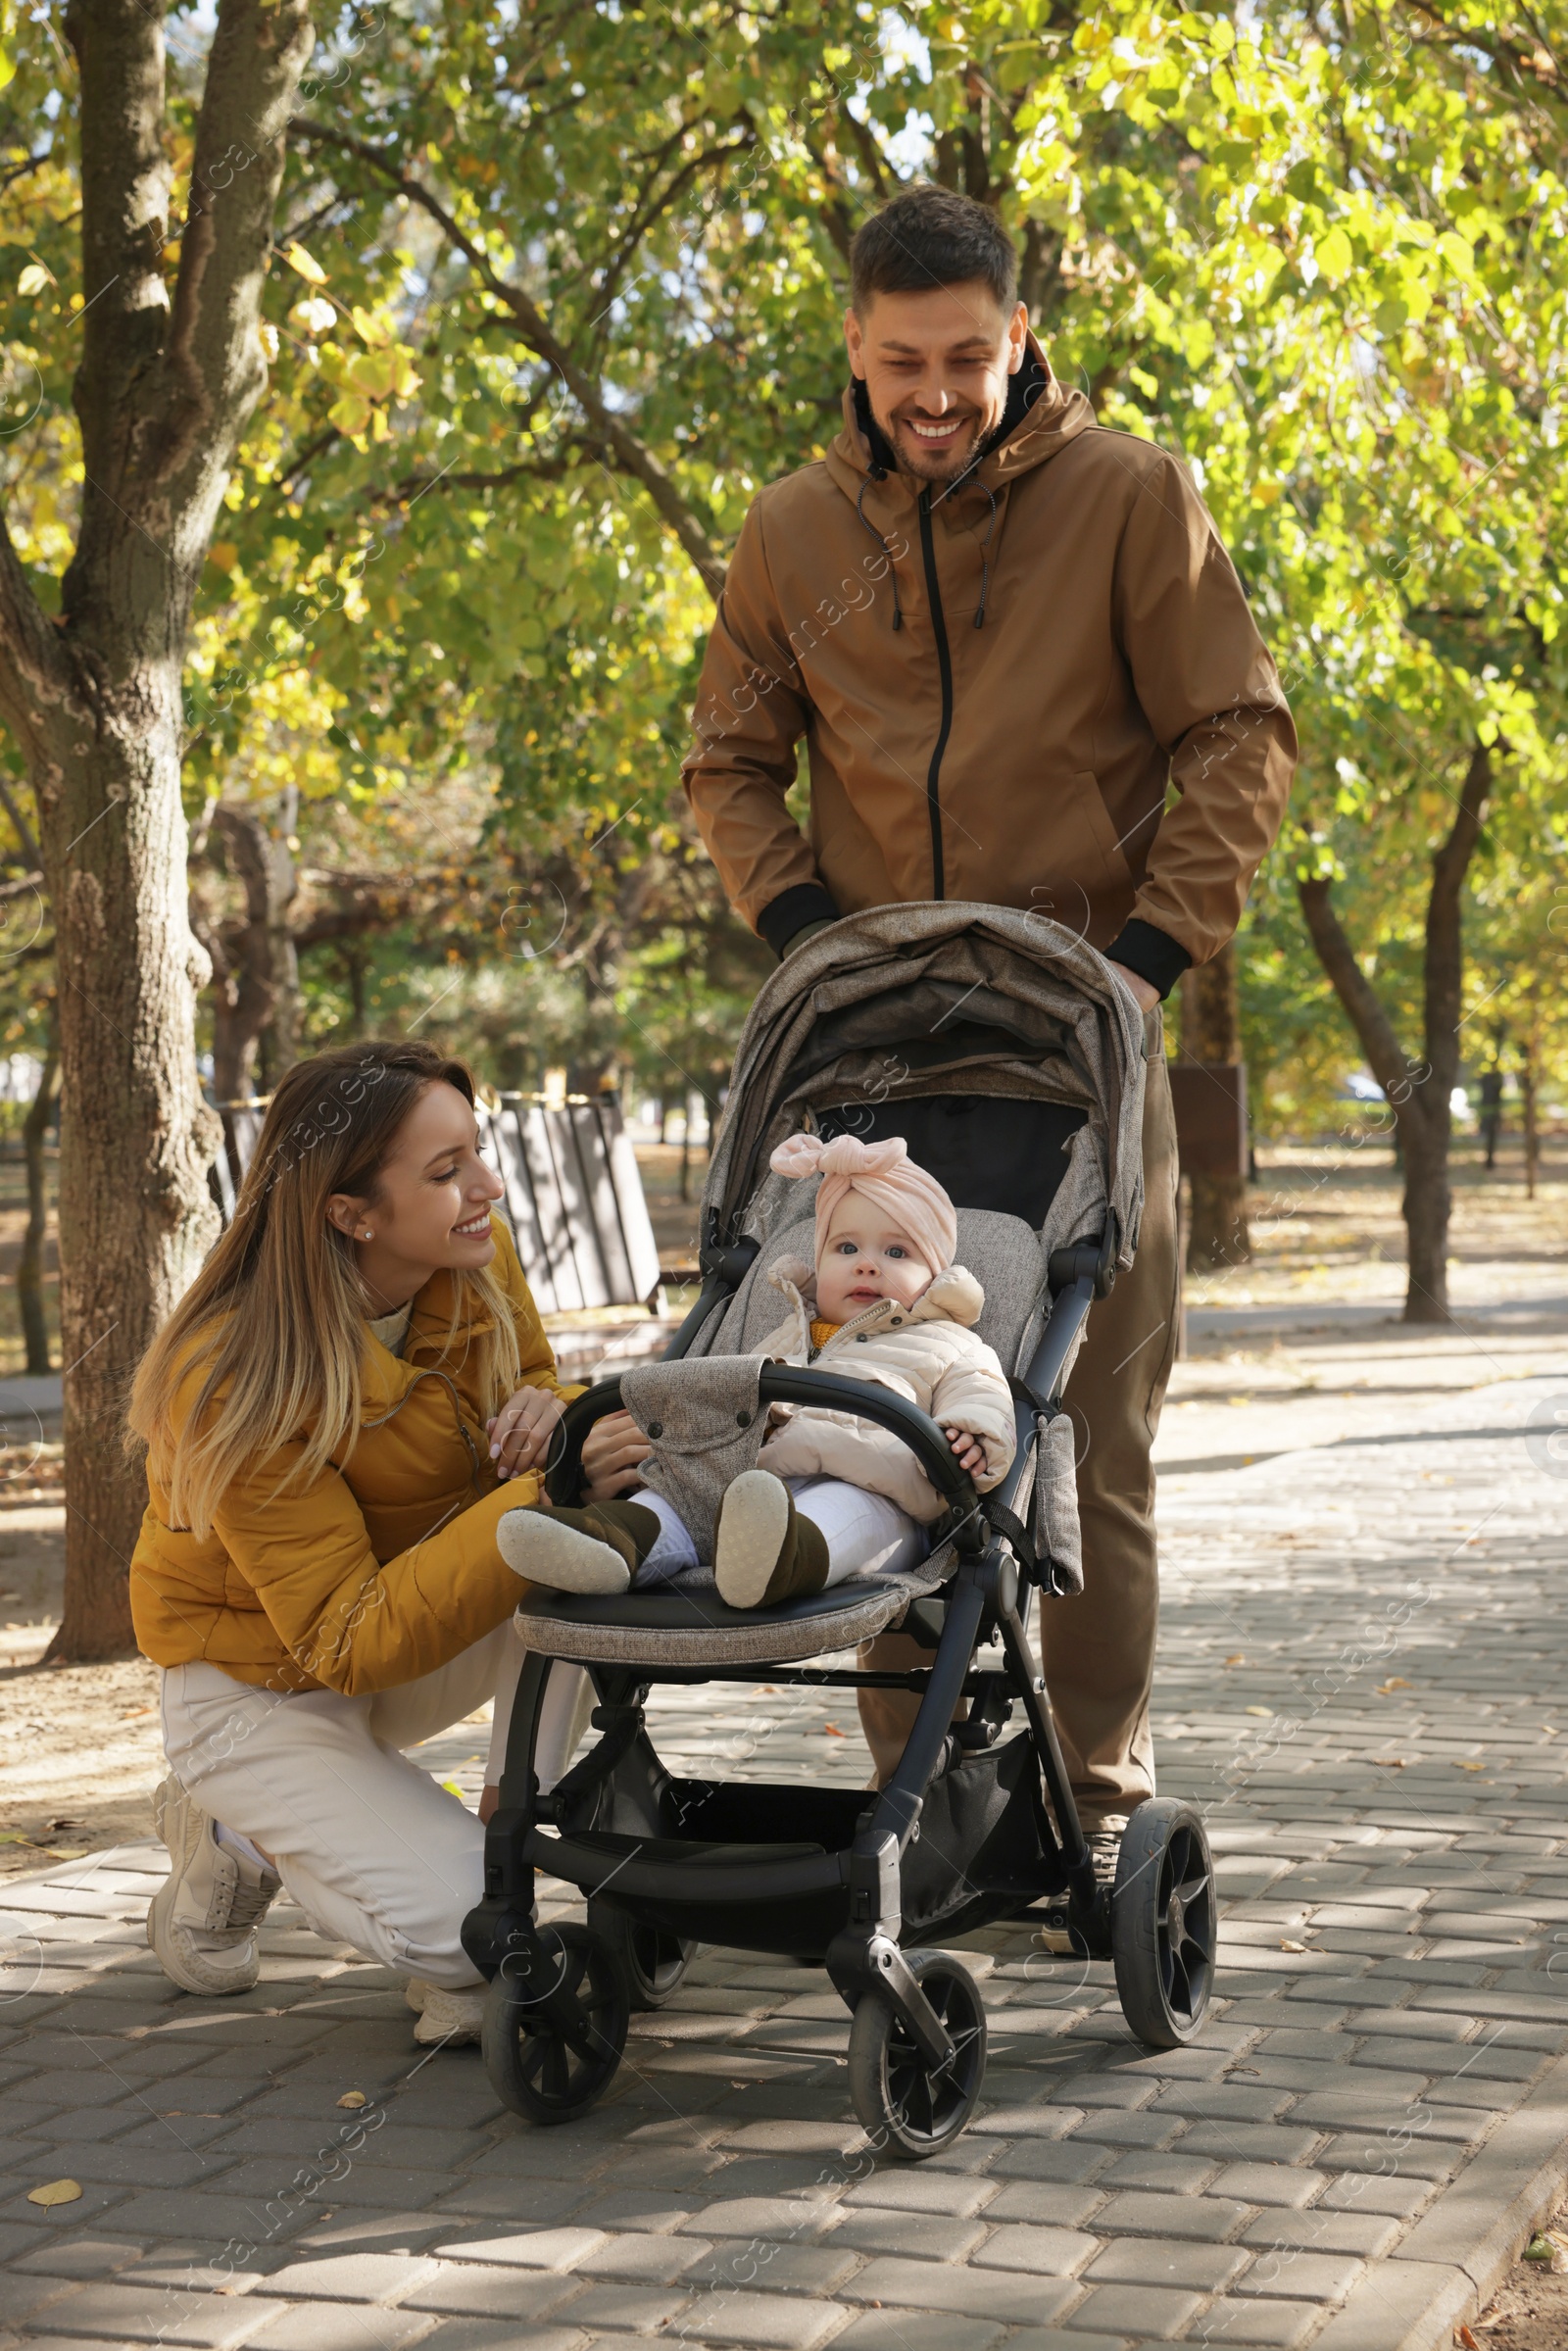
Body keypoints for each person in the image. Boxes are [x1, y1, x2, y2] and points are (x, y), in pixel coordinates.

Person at [665, 184, 1298, 1865]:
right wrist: (808, 932)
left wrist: (1149, 958)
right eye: (899, 364)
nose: (934, 394)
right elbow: (728, 756)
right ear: (854, 353)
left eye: (965, 356)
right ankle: (924, 1795)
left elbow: (1239, 734)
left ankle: (1093, 1801)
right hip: (873, 1070)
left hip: (1090, 1046)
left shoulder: (1132, 497)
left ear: (1020, 337)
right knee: (867, 1413)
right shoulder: (792, 532)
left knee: (1084, 1443)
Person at [127, 1041, 622, 2048]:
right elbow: (345, 1639)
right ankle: (230, 1828)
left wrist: (556, 1416)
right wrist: (545, 1484)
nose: (485, 1186)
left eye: (474, 1155)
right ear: (350, 1212)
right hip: (257, 1689)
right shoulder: (235, 1376)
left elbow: (540, 1394)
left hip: (408, 1619)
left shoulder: (472, 1254)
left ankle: (502, 1837)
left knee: (591, 1555)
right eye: (445, 1174)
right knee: (477, 1944)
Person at [498, 1132, 1015, 1610]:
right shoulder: (785, 1336)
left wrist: (972, 1432)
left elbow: (983, 1391)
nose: (867, 1264)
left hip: (880, 1490)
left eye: (897, 1251)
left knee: (846, 1513)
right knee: (678, 1498)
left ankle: (780, 1561)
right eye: (847, 1248)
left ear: (935, 1275)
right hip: (749, 1486)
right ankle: (610, 1542)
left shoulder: (949, 1340)